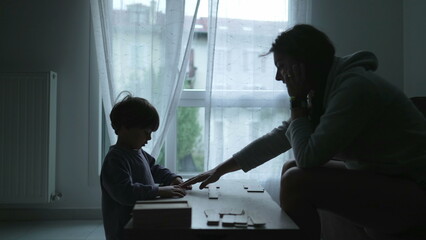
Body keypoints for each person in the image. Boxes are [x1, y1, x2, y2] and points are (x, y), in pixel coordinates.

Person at [181, 24, 426, 240]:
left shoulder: (353, 89)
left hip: (414, 189)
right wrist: (220, 170)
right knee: (290, 169)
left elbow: (308, 158)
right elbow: (282, 136)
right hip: (390, 179)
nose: (279, 77)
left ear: (303, 65)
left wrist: (297, 100)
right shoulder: (328, 88)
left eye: (282, 67)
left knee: (296, 179)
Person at [100, 94, 188, 240]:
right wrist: (158, 190)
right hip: (123, 232)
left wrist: (172, 178)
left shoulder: (138, 151)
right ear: (125, 127)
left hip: (142, 222)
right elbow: (126, 193)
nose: (149, 138)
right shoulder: (114, 159)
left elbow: (154, 168)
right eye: (146, 132)